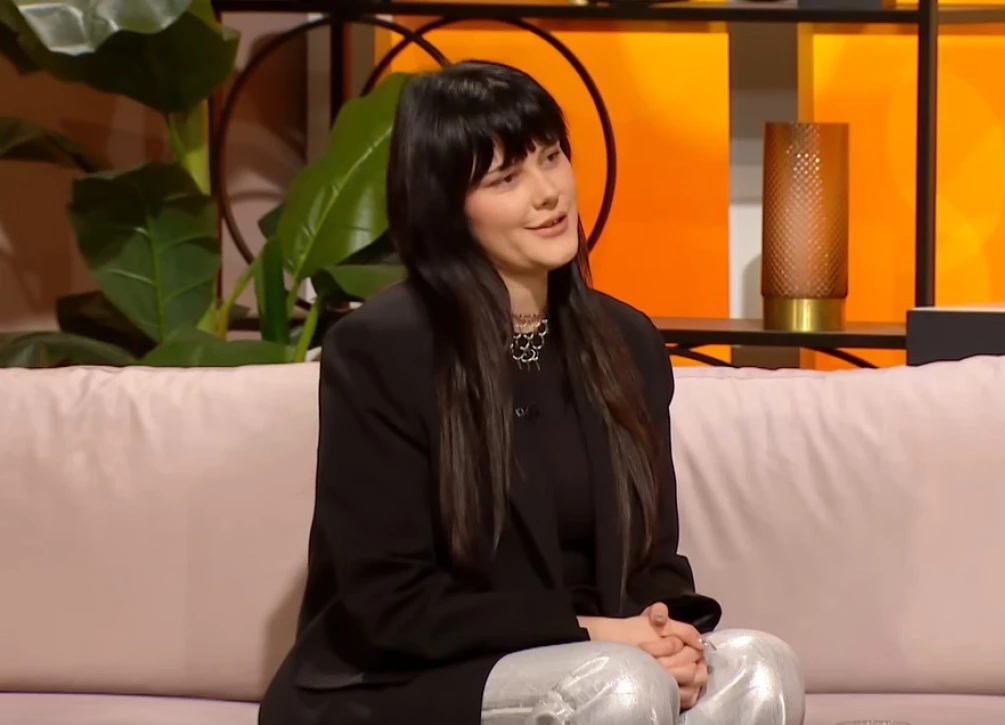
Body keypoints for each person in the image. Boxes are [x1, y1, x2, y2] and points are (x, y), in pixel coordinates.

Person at [258, 60, 805, 725]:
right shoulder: (383, 350)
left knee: (759, 666)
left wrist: (667, 637)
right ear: (445, 207)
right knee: (621, 685)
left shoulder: (625, 340)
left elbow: (652, 559)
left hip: (597, 658)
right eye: (505, 178)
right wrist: (592, 635)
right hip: (408, 677)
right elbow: (389, 603)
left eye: (550, 157)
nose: (548, 193)